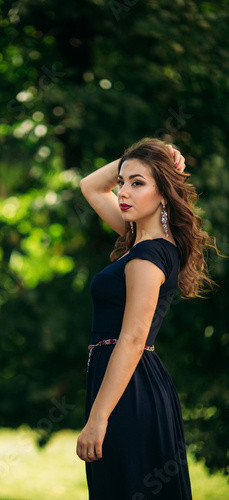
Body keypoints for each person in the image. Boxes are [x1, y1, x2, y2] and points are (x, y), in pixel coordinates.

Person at [76, 137, 221, 500]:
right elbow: (91, 186)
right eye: (123, 181)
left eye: (138, 183)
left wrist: (98, 418)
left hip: (129, 391)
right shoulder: (139, 239)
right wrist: (148, 154)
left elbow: (132, 339)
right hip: (128, 383)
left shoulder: (147, 256)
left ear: (163, 194)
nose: (123, 191)